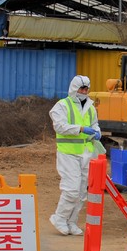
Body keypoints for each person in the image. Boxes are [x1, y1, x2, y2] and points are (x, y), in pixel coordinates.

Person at [49, 75, 101, 236]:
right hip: (68, 153)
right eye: (81, 89)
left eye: (86, 89)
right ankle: (59, 218)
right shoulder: (62, 106)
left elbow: (94, 124)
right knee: (71, 189)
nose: (84, 92)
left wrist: (97, 132)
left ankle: (71, 221)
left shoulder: (91, 107)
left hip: (87, 153)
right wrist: (80, 129)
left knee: (81, 191)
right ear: (73, 88)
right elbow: (59, 126)